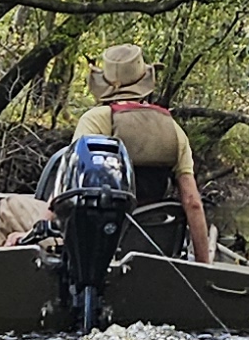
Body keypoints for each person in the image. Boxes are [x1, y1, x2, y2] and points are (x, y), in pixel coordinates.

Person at [75, 43, 213, 257]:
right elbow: (193, 203)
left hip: (98, 246)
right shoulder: (173, 129)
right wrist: (204, 267)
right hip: (153, 243)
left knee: (13, 207)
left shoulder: (96, 120)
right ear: (144, 84)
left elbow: (74, 187)